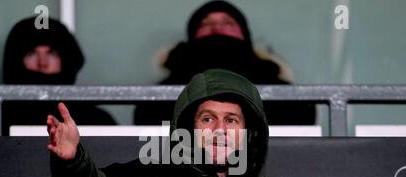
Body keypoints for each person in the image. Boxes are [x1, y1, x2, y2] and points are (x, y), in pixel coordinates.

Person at [49, 69, 268, 177]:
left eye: (231, 120)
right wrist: (73, 161)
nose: (219, 130)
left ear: (249, 132)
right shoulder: (151, 176)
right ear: (189, 128)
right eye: (208, 119)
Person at [134, 0, 315, 126]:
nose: (217, 28)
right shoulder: (163, 94)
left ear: (245, 35)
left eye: (228, 23)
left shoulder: (281, 91)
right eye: (205, 24)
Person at [2, 16, 116, 135]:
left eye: (51, 54)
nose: (42, 63)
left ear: (66, 60)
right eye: (31, 54)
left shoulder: (97, 120)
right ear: (15, 60)